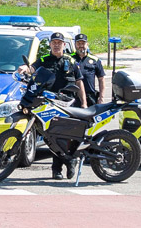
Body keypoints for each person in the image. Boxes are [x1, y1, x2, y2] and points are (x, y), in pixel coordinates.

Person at [21, 32, 87, 179]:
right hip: (48, 103)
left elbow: (79, 81)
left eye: (59, 42)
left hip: (67, 103)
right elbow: (32, 68)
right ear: (50, 44)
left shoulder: (70, 61)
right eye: (54, 42)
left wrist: (84, 103)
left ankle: (70, 161)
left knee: (66, 136)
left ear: (64, 45)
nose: (56, 45)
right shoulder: (44, 59)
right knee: (50, 136)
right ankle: (59, 168)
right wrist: (25, 69)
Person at [72, 34, 106, 105]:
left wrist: (101, 98)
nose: (81, 45)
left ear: (87, 44)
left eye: (83, 43)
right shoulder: (70, 59)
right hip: (73, 97)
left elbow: (101, 79)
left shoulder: (95, 60)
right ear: (75, 44)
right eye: (78, 43)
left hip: (90, 96)